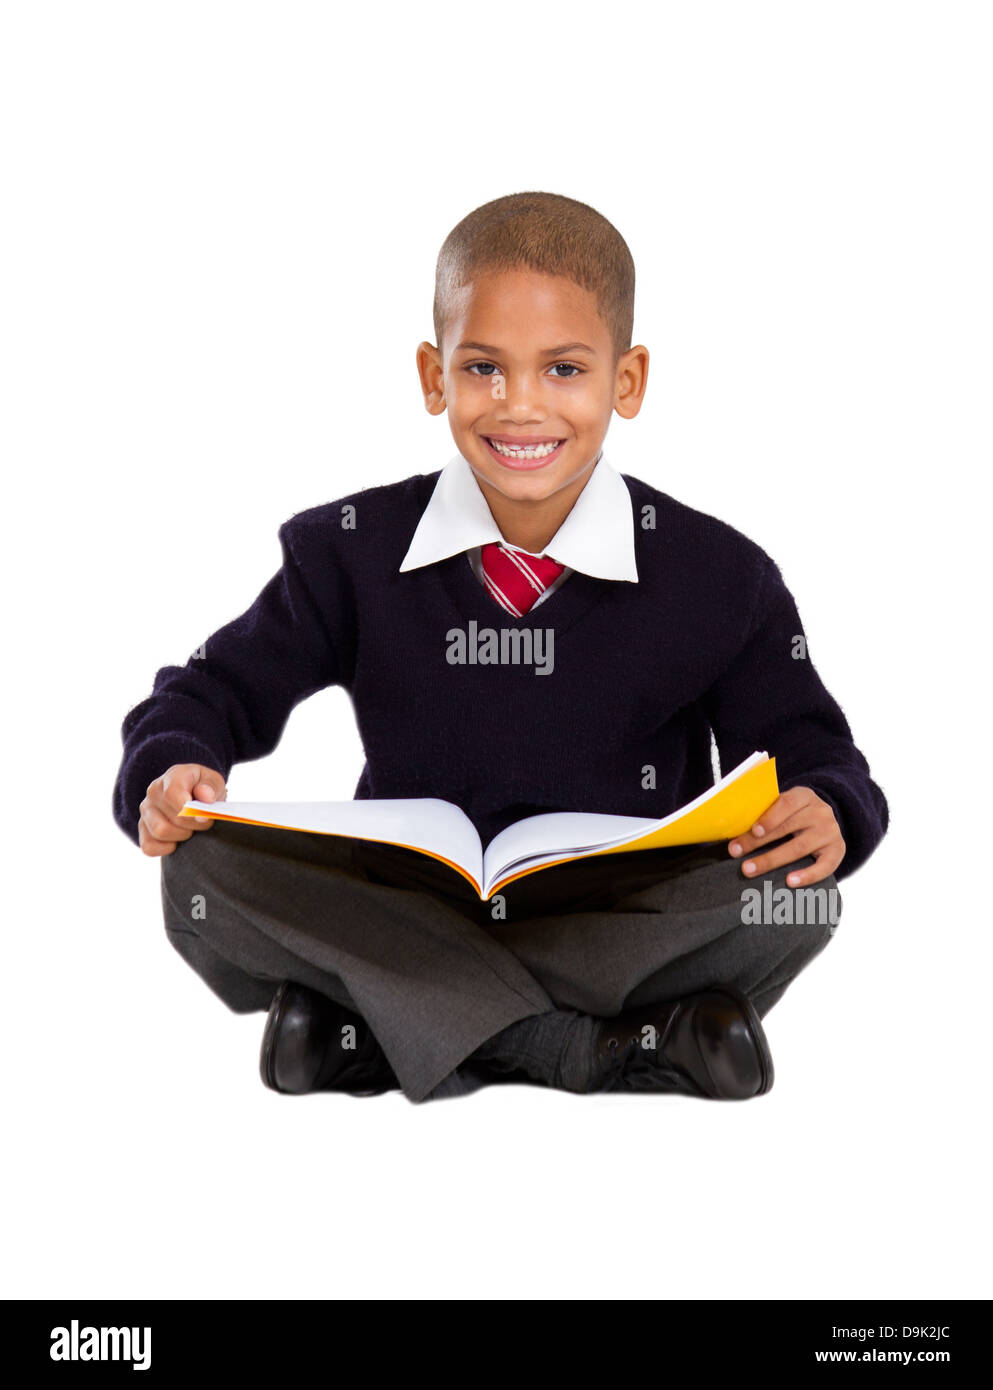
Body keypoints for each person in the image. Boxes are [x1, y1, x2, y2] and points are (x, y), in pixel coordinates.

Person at [111, 191, 889, 1104]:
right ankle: (602, 1048)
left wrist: (829, 807)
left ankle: (372, 1025)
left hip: (622, 919)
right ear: (433, 375)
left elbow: (818, 754)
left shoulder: (722, 576)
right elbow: (206, 693)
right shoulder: (349, 550)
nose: (520, 406)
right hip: (403, 909)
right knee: (198, 870)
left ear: (627, 381)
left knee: (797, 892)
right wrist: (172, 769)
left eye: (564, 368)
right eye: (483, 368)